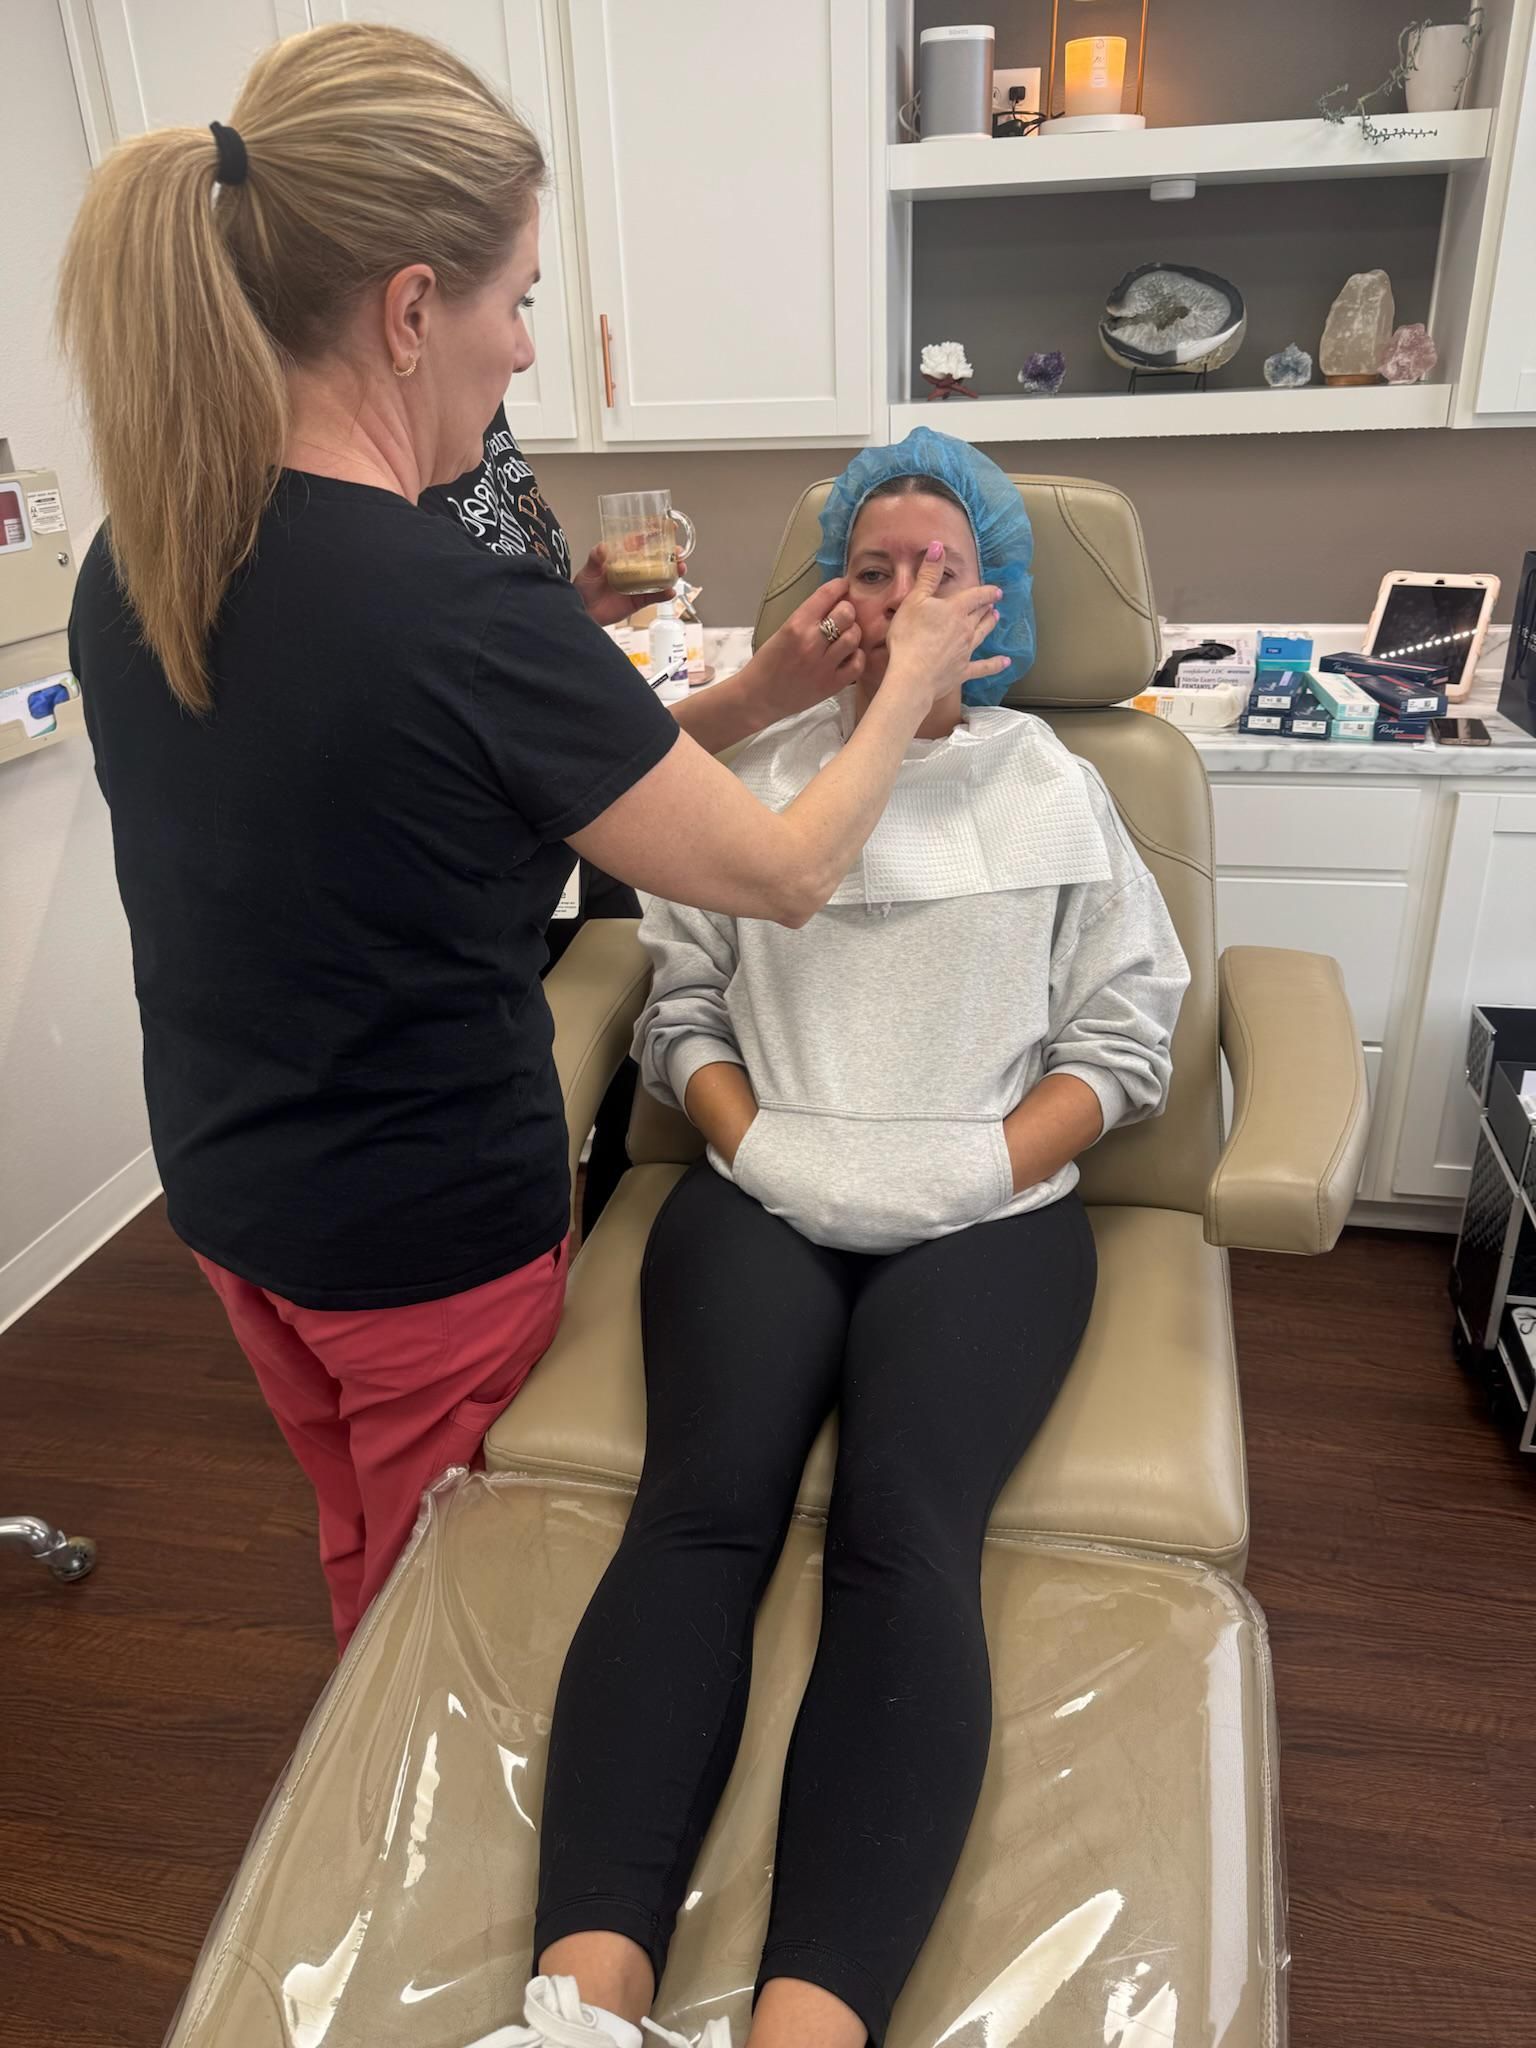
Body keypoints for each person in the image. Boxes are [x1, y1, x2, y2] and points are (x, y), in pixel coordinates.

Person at [57, 26, 1007, 1657]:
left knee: (359, 1527)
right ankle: (403, 1792)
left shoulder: (141, 554)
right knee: (445, 1601)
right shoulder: (460, 608)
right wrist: (909, 679)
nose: (519, 350)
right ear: (410, 309)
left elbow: (504, 770)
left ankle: (359, 1725)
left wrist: (771, 690)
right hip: (417, 1228)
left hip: (232, 1190)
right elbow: (783, 873)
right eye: (518, 303)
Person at [508, 431, 1191, 2048]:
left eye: (940, 572)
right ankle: (578, 2008)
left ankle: (807, 2028)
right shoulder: (747, 779)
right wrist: (754, 1140)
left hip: (988, 1213)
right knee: (698, 1516)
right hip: (764, 1188)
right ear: (826, 601)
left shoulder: (1058, 785)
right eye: (871, 570)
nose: (901, 600)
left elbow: (1124, 1038)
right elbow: (680, 1003)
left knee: (906, 1532)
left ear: (997, 604)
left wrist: (980, 1163)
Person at [420, 407, 663, 1237]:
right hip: (500, 863)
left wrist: (571, 608)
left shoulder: (477, 425)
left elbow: (481, 658)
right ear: (408, 336)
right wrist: (768, 692)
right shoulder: (380, 524)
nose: (527, 351)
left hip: (564, 834)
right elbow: (787, 874)